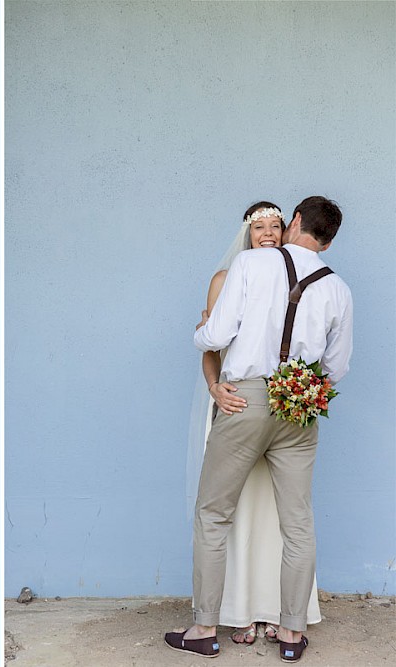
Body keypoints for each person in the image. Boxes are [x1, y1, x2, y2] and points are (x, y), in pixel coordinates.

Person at [166, 196, 352, 663]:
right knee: (298, 524)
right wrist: (303, 388)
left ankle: (204, 629)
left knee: (213, 514)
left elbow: (216, 337)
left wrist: (200, 332)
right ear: (328, 239)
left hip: (245, 399)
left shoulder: (251, 263)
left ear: (294, 223)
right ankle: (291, 636)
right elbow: (336, 366)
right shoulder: (339, 289)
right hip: (300, 406)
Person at [187, 202, 321, 646]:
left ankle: (267, 612)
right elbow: (212, 349)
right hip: (242, 402)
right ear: (245, 233)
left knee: (272, 516)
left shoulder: (299, 278)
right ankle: (241, 611)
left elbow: (213, 334)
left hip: (271, 408)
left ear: (289, 229)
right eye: (259, 226)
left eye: (276, 226)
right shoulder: (229, 277)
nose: (267, 232)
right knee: (238, 511)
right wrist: (214, 387)